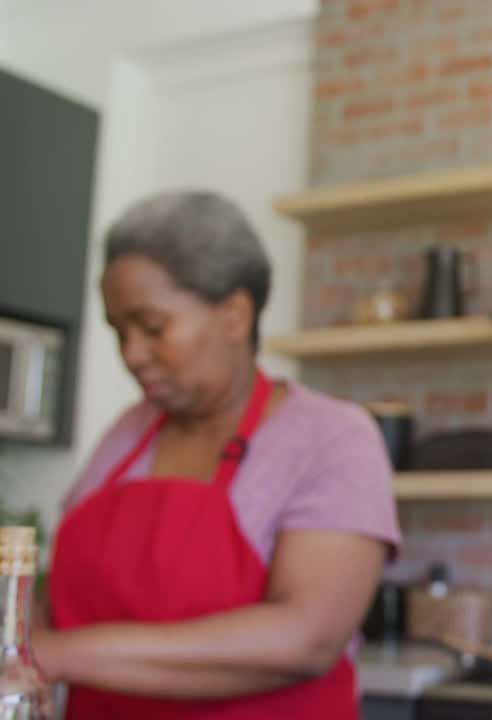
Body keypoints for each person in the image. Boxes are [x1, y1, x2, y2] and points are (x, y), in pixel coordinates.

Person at [33, 191, 401, 719]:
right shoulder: (128, 432)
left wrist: (64, 655)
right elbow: (57, 599)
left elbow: (307, 636)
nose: (131, 355)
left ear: (234, 314)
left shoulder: (332, 436)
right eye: (119, 331)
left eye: (152, 327)